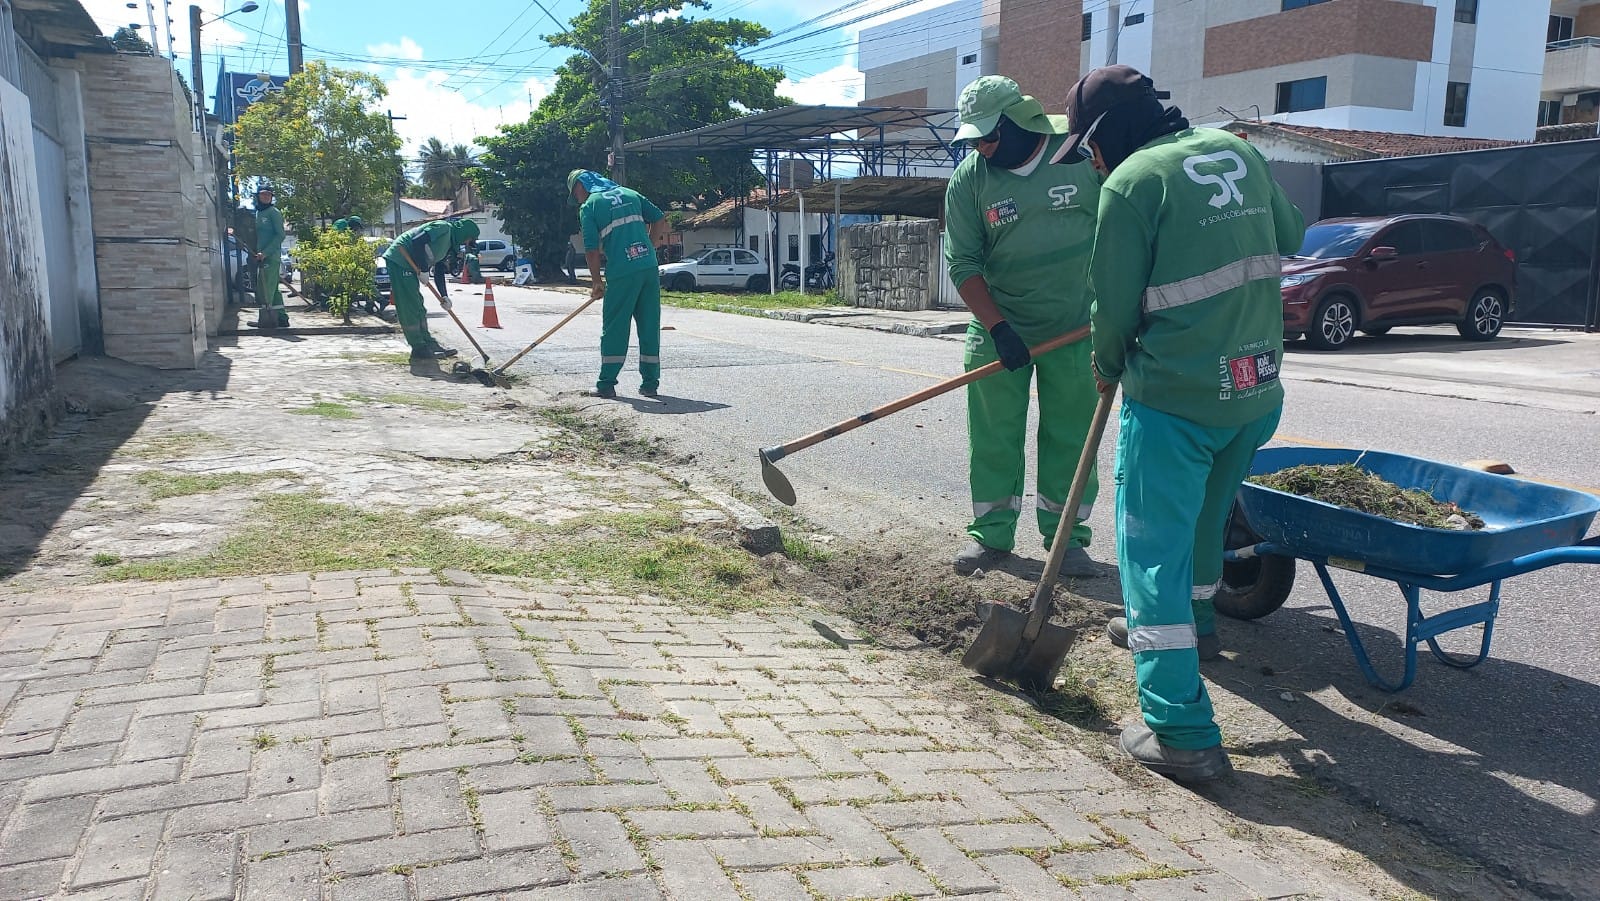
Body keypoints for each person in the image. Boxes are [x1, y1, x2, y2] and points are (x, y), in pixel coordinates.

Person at [1056, 65, 1306, 782]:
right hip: (1252, 390)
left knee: (1151, 557)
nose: (1091, 162)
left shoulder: (1131, 183)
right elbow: (1290, 232)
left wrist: (1107, 364)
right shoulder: (1238, 151)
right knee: (1203, 522)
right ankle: (1198, 629)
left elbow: (1111, 304)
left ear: (1109, 134)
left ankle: (1180, 730)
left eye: (1089, 147)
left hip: (1176, 399)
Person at [942, 75, 1104, 577]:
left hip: (1076, 327)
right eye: (974, 140)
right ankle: (991, 534)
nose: (982, 148)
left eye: (989, 136)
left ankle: (1066, 539)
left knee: (1072, 435)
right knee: (994, 435)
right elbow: (963, 262)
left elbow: (1122, 223)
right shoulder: (970, 179)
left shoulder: (1079, 154)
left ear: (1018, 121)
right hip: (999, 326)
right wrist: (998, 328)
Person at [567, 169, 668, 398]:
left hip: (622, 271)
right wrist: (650, 246)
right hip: (648, 267)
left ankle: (606, 384)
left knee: (615, 327)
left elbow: (591, 250)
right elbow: (659, 218)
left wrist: (596, 282)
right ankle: (650, 383)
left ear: (581, 185)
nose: (577, 199)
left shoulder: (590, 206)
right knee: (649, 325)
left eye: (575, 194)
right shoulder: (630, 194)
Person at [382, 217, 479, 360]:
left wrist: (444, 296)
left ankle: (428, 343)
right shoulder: (443, 228)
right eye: (469, 240)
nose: (466, 243)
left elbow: (439, 270)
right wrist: (424, 269)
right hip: (400, 259)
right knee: (410, 304)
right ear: (464, 233)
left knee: (419, 306)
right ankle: (418, 347)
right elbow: (417, 241)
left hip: (411, 265)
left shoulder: (449, 245)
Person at [252, 186, 288, 329]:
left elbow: (280, 235)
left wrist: (266, 253)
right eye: (263, 194)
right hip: (261, 256)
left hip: (270, 257)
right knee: (273, 289)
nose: (266, 197)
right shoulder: (259, 213)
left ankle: (265, 319)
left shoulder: (274, 213)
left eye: (268, 195)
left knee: (265, 289)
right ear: (258, 196)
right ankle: (282, 318)